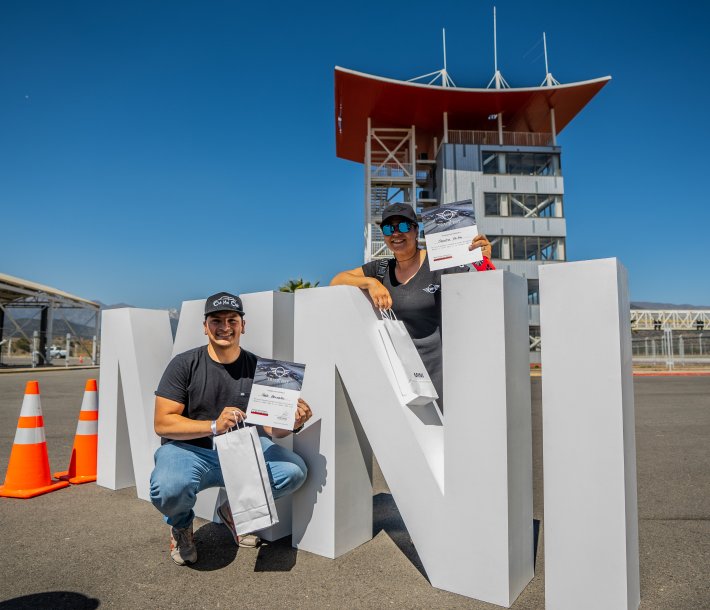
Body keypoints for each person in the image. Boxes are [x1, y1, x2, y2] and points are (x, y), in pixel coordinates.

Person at [149, 291, 311, 566]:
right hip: (189, 451)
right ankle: (181, 525)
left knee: (293, 471)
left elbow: (273, 430)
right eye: (216, 320)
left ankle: (235, 513)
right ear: (205, 326)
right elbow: (162, 423)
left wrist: (292, 423)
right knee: (168, 489)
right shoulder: (184, 364)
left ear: (243, 325)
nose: (224, 327)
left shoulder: (264, 370)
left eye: (232, 320)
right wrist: (213, 425)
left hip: (241, 450)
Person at [330, 202, 495, 407]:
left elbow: (478, 291)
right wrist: (370, 282)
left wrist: (483, 259)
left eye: (404, 227)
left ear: (416, 230)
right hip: (399, 374)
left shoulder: (439, 263)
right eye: (389, 229)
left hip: (439, 372)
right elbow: (337, 280)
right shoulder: (381, 269)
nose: (396, 233)